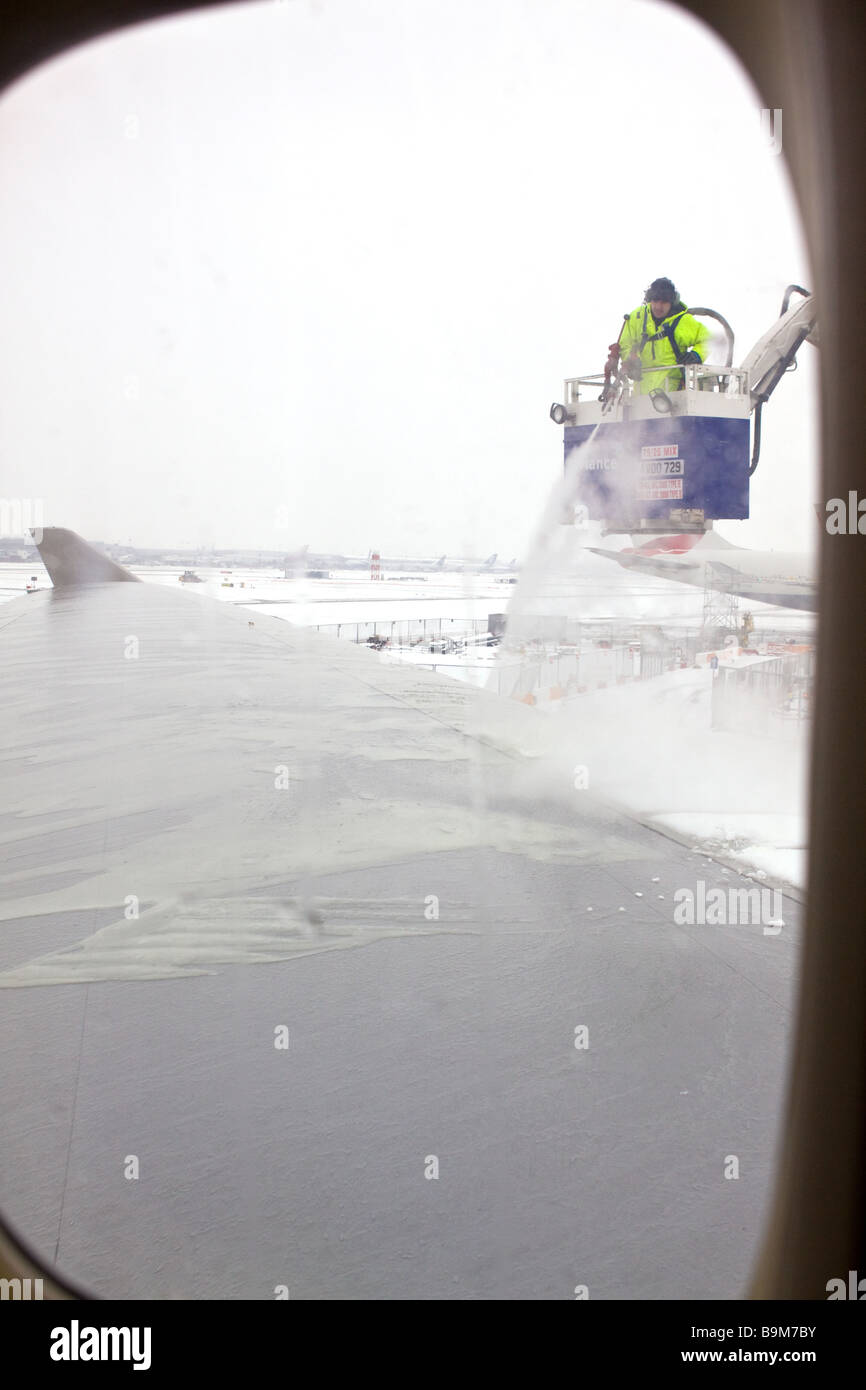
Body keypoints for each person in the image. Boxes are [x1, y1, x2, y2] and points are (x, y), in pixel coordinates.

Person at [617, 277, 711, 395]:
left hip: (673, 394)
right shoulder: (636, 318)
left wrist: (696, 355)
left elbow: (708, 340)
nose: (658, 306)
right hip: (640, 395)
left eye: (664, 302)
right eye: (655, 301)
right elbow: (625, 343)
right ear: (649, 299)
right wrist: (631, 360)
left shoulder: (683, 321)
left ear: (672, 302)